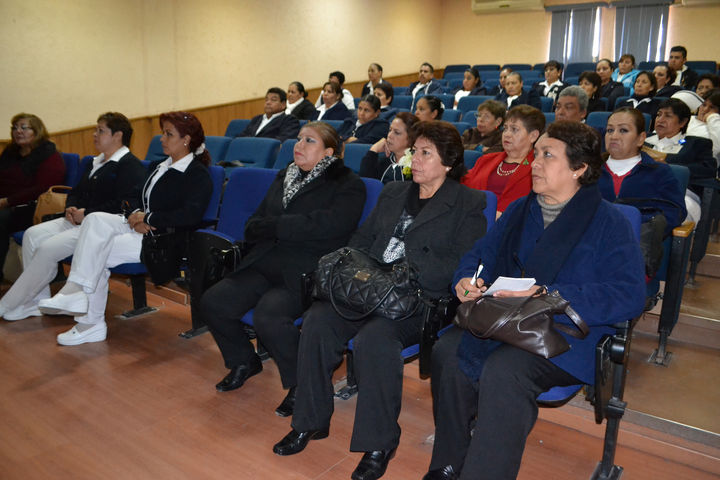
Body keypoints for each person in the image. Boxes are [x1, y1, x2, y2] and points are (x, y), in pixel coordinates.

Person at [423, 121, 646, 480]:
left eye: (547, 155)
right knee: (447, 352)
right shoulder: (519, 210)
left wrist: (549, 296)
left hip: (564, 333)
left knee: (505, 372)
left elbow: (629, 294)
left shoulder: (609, 222)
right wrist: (466, 278)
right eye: (536, 153)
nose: (535, 163)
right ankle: (449, 461)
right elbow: (480, 254)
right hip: (506, 320)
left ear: (578, 168)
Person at [274, 121, 488, 480]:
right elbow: (362, 239)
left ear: (449, 163)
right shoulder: (394, 192)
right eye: (414, 151)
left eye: (426, 153)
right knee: (318, 321)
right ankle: (309, 420)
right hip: (369, 288)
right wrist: (358, 273)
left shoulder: (468, 203)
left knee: (374, 339)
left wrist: (403, 273)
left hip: (416, 299)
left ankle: (379, 442)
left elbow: (459, 263)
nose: (415, 159)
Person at [198, 122, 365, 410]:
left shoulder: (348, 183)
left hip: (305, 269)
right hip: (265, 260)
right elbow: (254, 224)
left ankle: (304, 382)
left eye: (309, 141)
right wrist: (283, 227)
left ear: (329, 152)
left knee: (269, 317)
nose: (298, 145)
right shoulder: (285, 175)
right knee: (214, 302)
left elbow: (331, 227)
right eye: (299, 139)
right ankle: (244, 361)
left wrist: (276, 226)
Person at [37, 112, 213, 345]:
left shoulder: (197, 174)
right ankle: (76, 293)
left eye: (168, 134)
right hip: (139, 229)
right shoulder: (159, 166)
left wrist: (149, 217)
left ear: (186, 140)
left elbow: (190, 215)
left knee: (96, 250)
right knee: (95, 219)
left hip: (164, 239)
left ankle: (89, 322)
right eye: (163, 133)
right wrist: (135, 214)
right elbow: (135, 198)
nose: (162, 139)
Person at [0, 112, 146, 321]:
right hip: (76, 219)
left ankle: (8, 303)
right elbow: (75, 191)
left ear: (118, 136)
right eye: (95, 130)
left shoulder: (130, 165)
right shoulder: (95, 162)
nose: (94, 134)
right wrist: (71, 207)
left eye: (100, 131)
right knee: (32, 235)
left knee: (47, 248)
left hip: (98, 227)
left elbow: (124, 205)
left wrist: (85, 213)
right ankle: (34, 302)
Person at [599, 107, 686, 237]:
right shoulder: (589, 170)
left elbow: (676, 212)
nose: (614, 136)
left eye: (623, 130)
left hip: (637, 241)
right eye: (610, 130)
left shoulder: (658, 172)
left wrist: (638, 223)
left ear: (641, 138)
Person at [0, 114, 65, 283]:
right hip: (9, 204)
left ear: (37, 131)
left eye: (24, 127)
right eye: (15, 127)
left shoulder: (48, 154)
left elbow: (41, 189)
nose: (18, 131)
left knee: (1, 218)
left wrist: (7, 201)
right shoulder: (10, 152)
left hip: (35, 208)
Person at [462, 105, 545, 214]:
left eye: (514, 129)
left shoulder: (538, 168)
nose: (507, 134)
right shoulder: (486, 160)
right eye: (505, 128)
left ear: (533, 136)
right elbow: (463, 184)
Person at [644, 98, 716, 223]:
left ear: (683, 122)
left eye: (668, 116)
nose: (660, 120)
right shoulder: (642, 140)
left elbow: (708, 169)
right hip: (641, 188)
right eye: (659, 115)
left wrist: (671, 167)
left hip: (680, 192)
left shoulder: (696, 144)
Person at [360, 112, 420, 183]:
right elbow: (366, 184)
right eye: (390, 130)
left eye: (397, 133)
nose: (389, 135)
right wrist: (373, 150)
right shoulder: (383, 161)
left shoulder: (417, 165)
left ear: (411, 139)